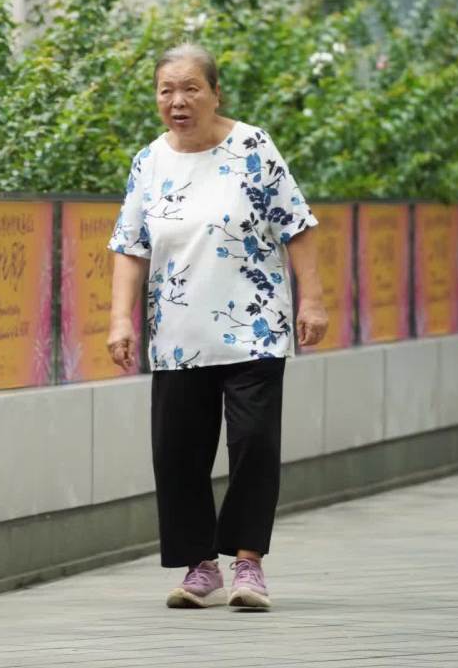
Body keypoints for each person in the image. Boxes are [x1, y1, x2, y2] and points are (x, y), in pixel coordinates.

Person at [106, 43, 328, 610]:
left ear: (215, 93)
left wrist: (313, 301)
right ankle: (200, 566)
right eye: (166, 91)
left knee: (254, 443)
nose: (178, 101)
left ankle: (248, 563)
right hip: (178, 335)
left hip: (256, 327)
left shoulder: (253, 148)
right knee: (177, 452)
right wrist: (119, 319)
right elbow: (130, 247)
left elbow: (297, 226)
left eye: (190, 89)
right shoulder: (149, 162)